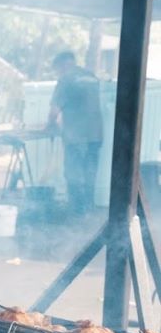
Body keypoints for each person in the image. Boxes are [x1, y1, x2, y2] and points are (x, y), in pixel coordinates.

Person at [46, 50, 103, 216]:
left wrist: (49, 125)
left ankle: (77, 211)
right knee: (90, 171)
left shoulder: (66, 79)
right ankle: (89, 208)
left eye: (57, 69)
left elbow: (54, 111)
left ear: (62, 65)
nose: (58, 73)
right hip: (96, 133)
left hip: (76, 136)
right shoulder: (92, 77)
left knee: (73, 172)